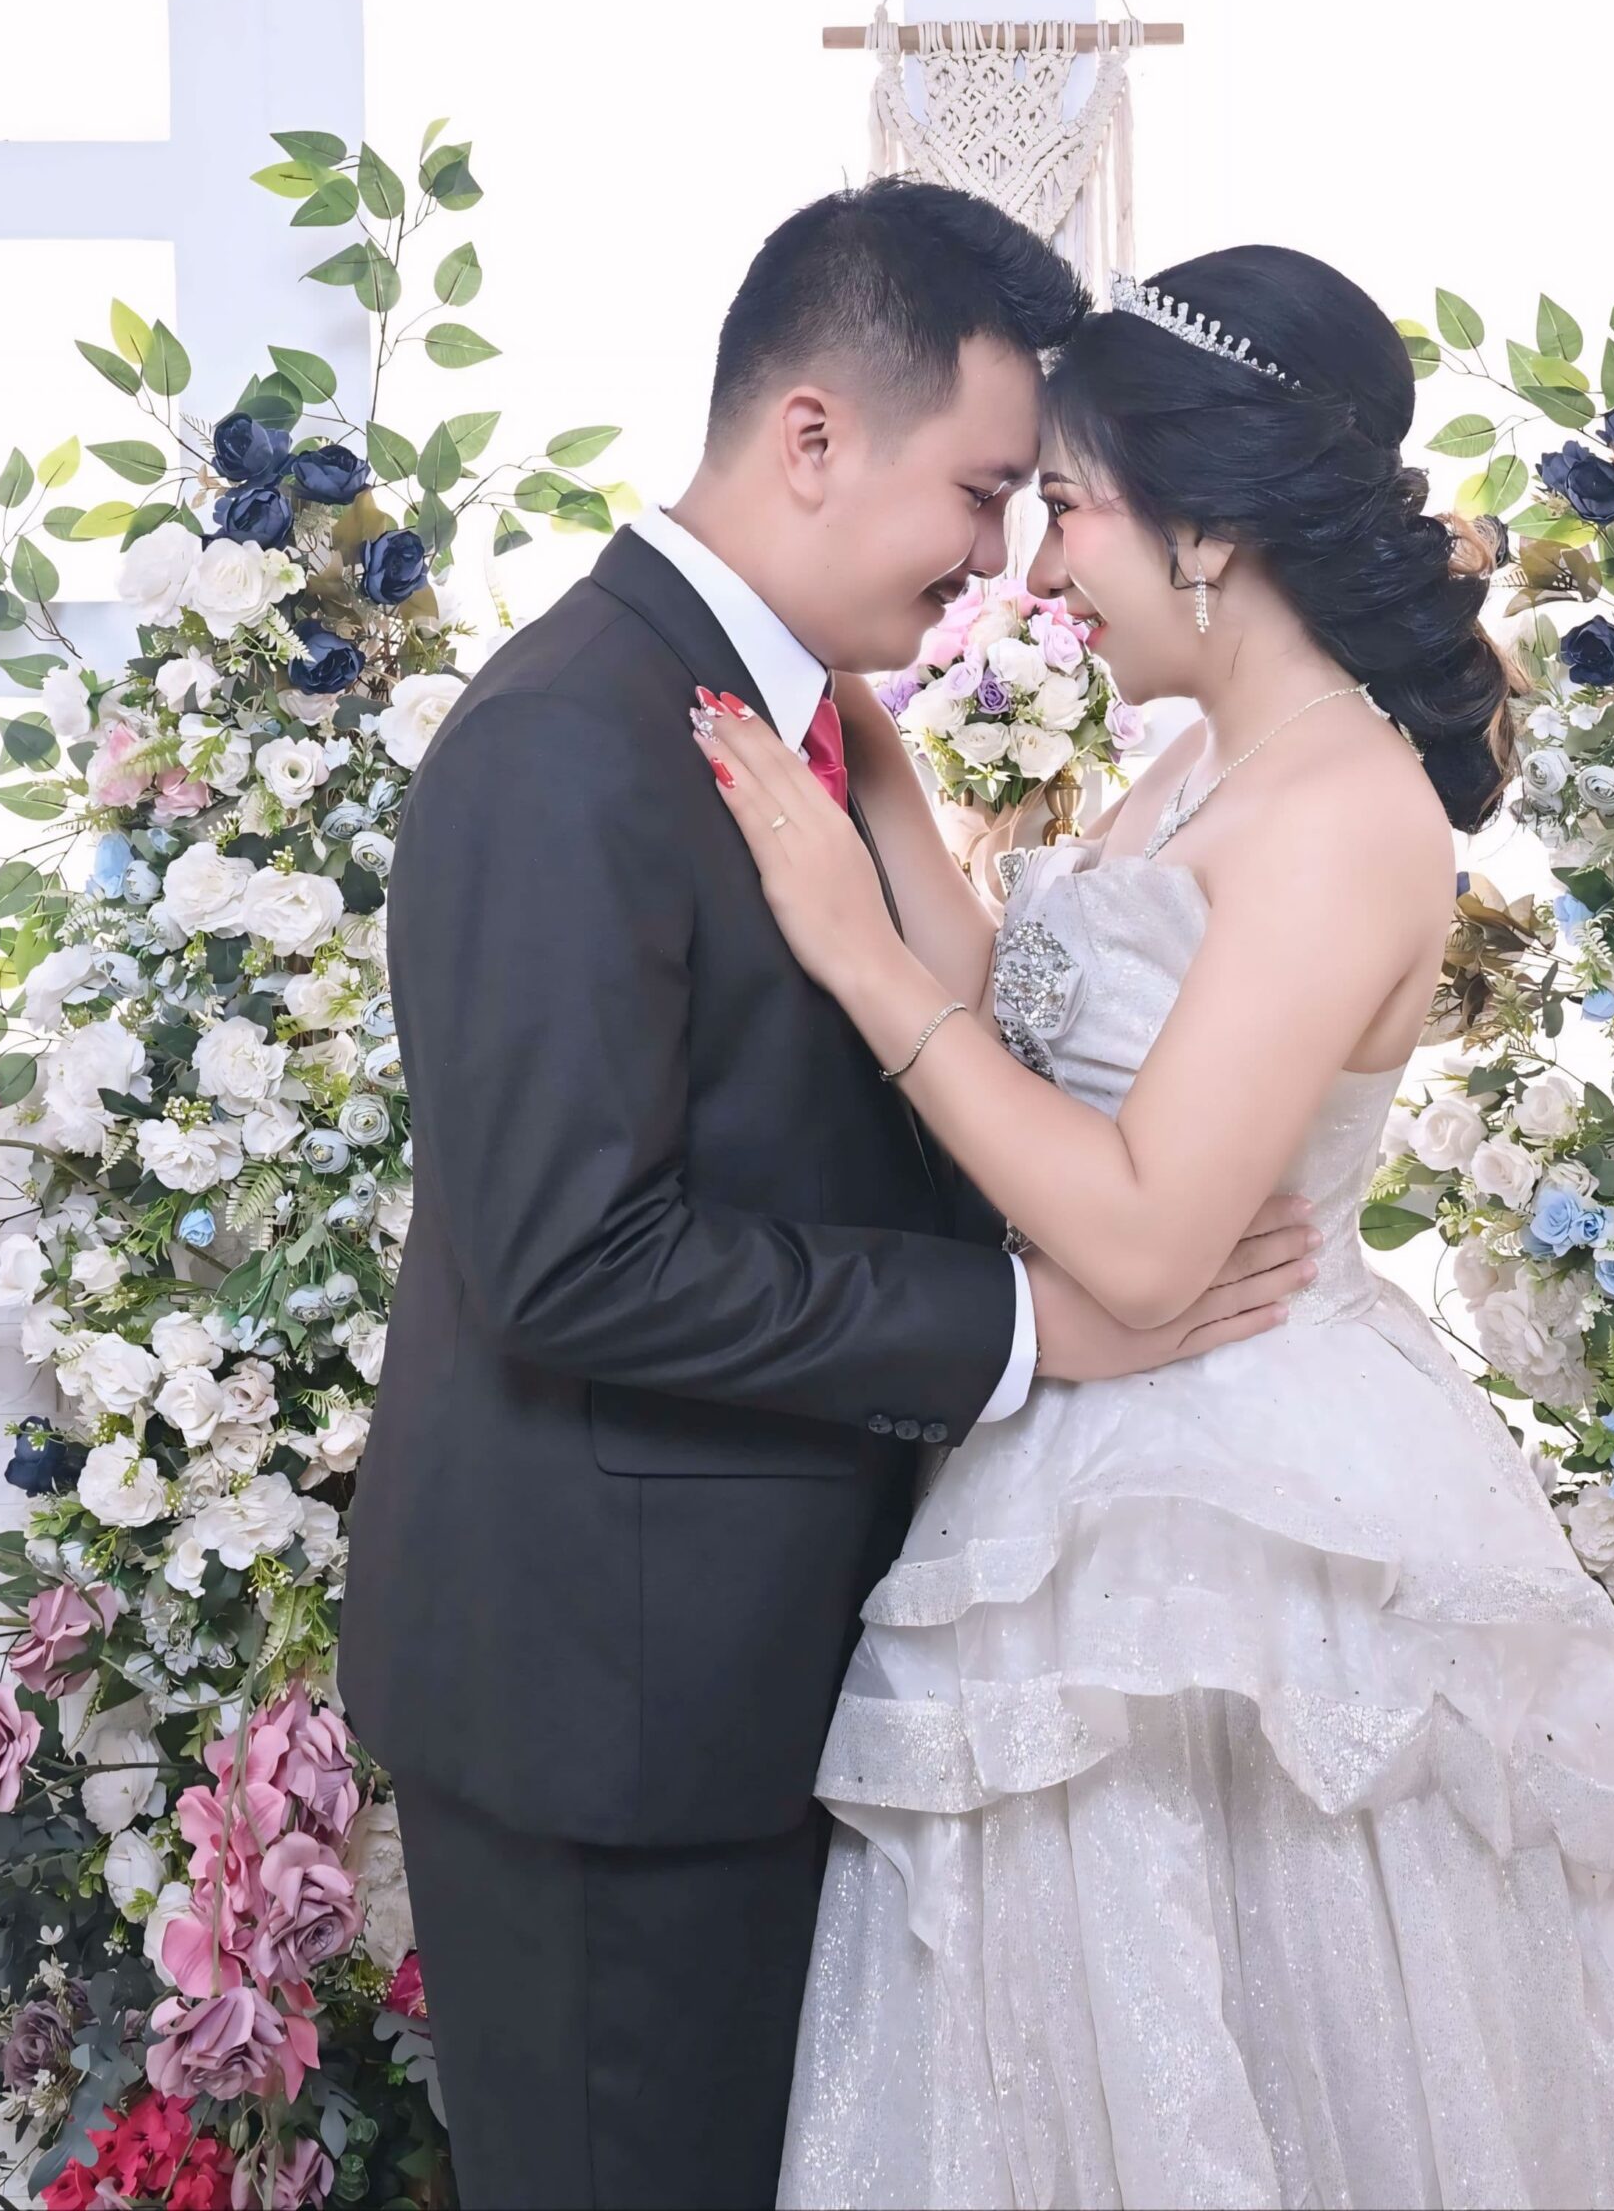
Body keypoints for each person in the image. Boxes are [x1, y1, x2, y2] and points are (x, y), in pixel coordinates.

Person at [698, 246, 1614, 2210]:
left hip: (1255, 1511)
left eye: (1069, 507)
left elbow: (1136, 1240)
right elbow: (1032, 1029)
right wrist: (844, 715)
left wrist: (857, 958)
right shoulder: (1202, 758)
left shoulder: (1349, 808)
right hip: (1076, 1469)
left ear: (1204, 523)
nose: (1036, 570)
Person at [338, 182, 1323, 2211]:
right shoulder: (566, 741)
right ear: (810, 435)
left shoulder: (798, 726)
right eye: (979, 491)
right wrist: (1045, 1326)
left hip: (764, 1669)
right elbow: (570, 1259)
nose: (997, 559)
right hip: (613, 1714)